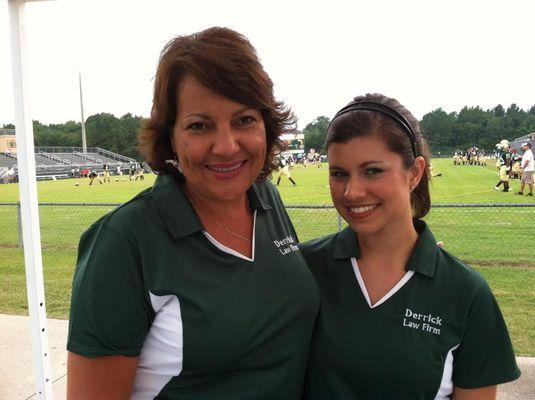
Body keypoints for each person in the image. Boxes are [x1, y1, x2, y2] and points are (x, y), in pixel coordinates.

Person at [67, 27, 319, 400]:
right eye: (200, 126)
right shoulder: (125, 242)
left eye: (244, 119)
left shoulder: (266, 199)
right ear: (170, 136)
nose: (227, 146)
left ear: (267, 124)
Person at [300, 94, 520, 399]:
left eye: (372, 170)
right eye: (339, 174)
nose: (351, 191)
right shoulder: (303, 269)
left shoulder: (465, 293)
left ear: (415, 172)